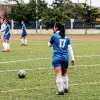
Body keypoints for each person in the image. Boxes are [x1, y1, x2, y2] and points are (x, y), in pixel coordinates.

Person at [48, 23, 75, 95]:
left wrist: (52, 35)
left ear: (56, 28)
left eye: (54, 27)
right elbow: (70, 48)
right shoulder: (67, 37)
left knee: (59, 74)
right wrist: (73, 58)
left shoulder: (54, 36)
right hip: (65, 58)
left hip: (57, 57)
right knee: (64, 73)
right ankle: (66, 89)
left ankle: (61, 91)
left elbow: (49, 45)